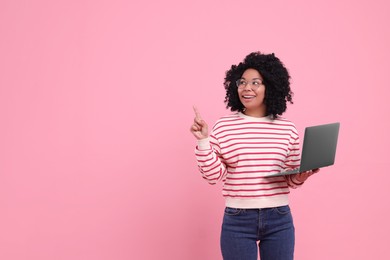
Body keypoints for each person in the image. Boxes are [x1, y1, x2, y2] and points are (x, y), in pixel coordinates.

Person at [190, 52, 319, 260]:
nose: (246, 88)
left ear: (271, 86)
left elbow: (291, 179)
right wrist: (203, 141)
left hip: (279, 218)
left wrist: (302, 175)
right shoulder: (224, 126)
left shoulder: (287, 129)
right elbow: (213, 176)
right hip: (237, 219)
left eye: (255, 82)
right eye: (242, 82)